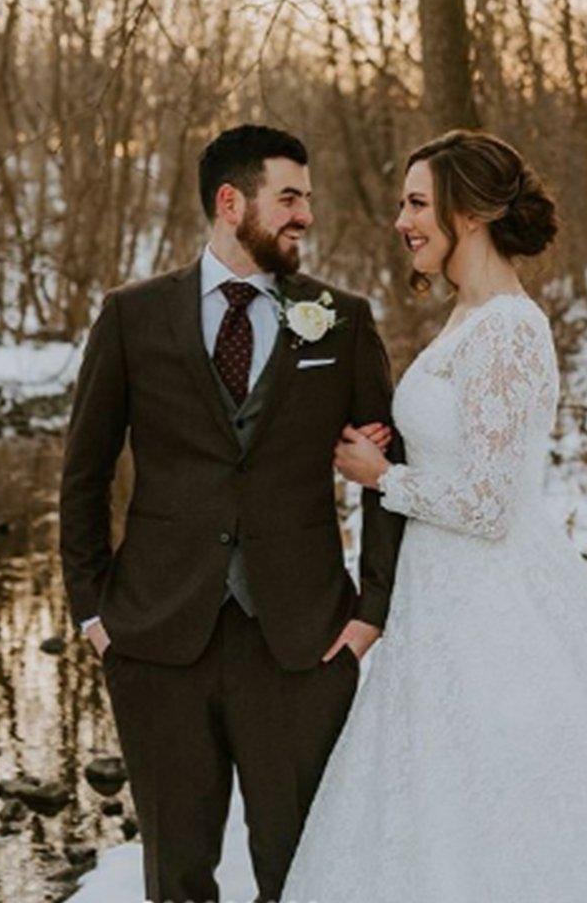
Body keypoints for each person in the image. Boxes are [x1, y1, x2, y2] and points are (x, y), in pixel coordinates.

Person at [281, 128, 587, 902]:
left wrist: (384, 476)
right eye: (402, 204)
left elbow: (490, 503)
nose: (402, 220)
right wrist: (391, 449)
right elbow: (463, 453)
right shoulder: (466, 318)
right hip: (437, 602)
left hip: (491, 604)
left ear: (472, 214)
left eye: (418, 203)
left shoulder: (512, 329)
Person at [59, 124, 405, 903]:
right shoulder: (132, 316)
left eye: (307, 201)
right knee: (176, 878)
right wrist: (92, 610)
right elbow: (82, 474)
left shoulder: (340, 320)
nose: (304, 217)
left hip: (301, 645)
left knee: (302, 875)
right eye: (288, 198)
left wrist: (370, 612)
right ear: (230, 201)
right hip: (155, 641)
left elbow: (386, 471)